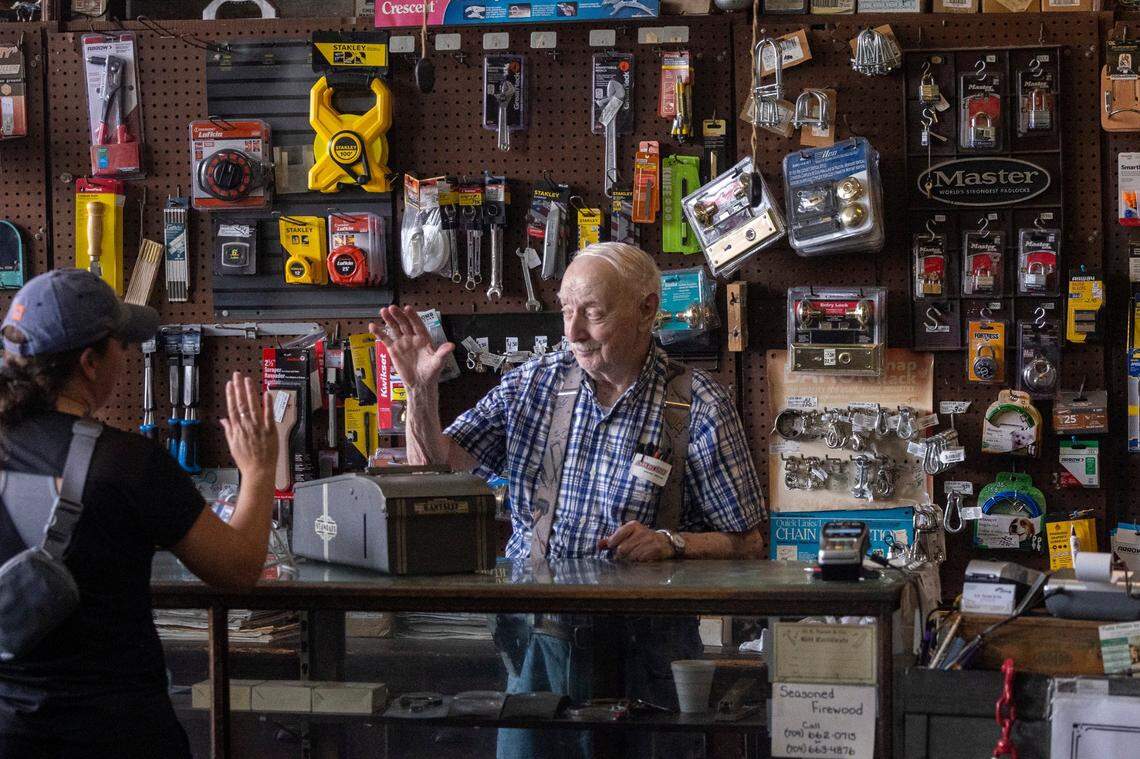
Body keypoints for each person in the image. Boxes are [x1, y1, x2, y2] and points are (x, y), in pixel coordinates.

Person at [373, 242, 766, 759]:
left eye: (593, 314)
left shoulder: (698, 404)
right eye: (565, 310)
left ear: (647, 309)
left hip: (648, 654)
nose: (573, 332)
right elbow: (436, 469)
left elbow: (748, 543)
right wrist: (420, 392)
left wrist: (673, 542)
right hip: (539, 645)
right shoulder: (533, 384)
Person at [0, 269, 279, 759]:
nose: (126, 356)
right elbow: (236, 569)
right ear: (90, 362)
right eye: (121, 345)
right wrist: (258, 470)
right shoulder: (127, 463)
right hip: (119, 733)